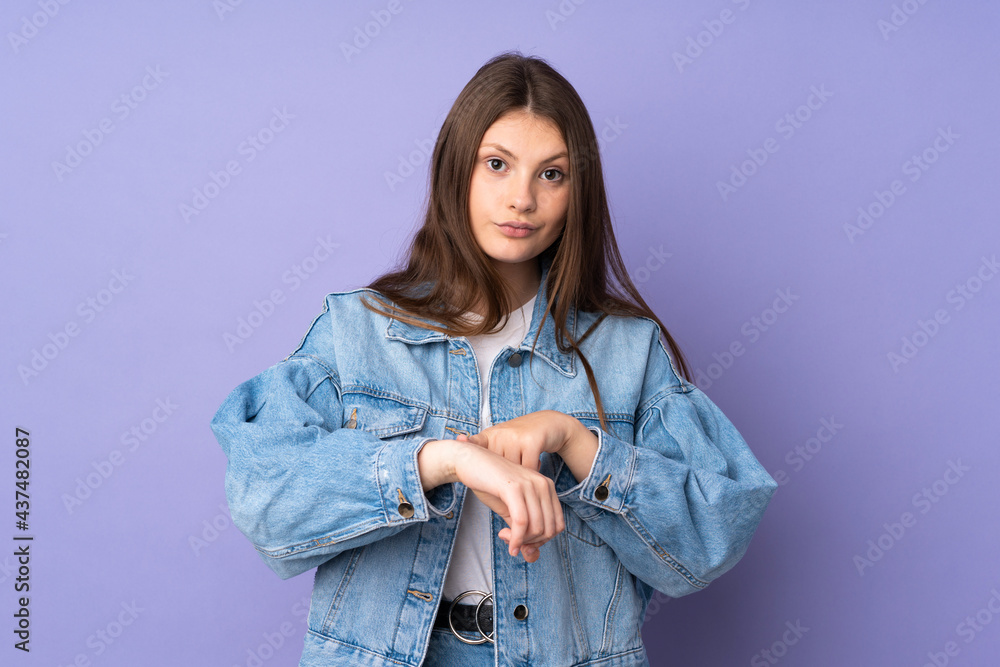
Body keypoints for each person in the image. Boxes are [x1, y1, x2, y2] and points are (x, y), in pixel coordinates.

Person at [210, 50, 778, 667]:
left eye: (552, 174)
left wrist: (577, 442)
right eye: (498, 164)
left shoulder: (626, 350)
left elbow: (710, 539)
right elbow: (265, 500)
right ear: (457, 169)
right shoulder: (359, 332)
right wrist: (442, 461)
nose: (522, 199)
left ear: (578, 192)